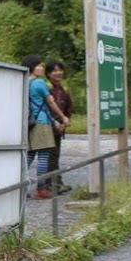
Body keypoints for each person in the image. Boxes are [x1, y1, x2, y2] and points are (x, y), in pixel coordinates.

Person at [22, 55, 68, 199]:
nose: (42, 68)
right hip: (41, 124)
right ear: (32, 67)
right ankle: (41, 188)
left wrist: (54, 122)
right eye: (39, 66)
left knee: (29, 156)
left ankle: (18, 187)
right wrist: (63, 117)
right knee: (43, 156)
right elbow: (50, 103)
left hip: (31, 123)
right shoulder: (39, 83)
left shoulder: (23, 83)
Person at [45, 60, 75, 194]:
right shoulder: (46, 88)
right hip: (46, 127)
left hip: (59, 129)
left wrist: (63, 124)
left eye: (59, 70)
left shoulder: (63, 91)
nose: (58, 73)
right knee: (49, 156)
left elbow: (68, 109)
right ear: (48, 74)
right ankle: (50, 184)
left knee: (54, 155)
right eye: (54, 71)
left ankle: (56, 183)